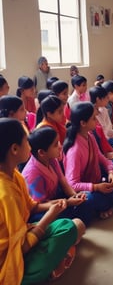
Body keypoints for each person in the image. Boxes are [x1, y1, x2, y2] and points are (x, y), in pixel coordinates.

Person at [0, 118, 85, 284]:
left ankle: (59, 255)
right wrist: (49, 216)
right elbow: (21, 247)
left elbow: (31, 206)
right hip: (10, 260)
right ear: (15, 149)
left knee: (74, 225)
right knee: (72, 228)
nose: (30, 146)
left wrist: (65, 203)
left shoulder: (15, 175)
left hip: (26, 234)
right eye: (26, 141)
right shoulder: (5, 193)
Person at [63, 102, 113, 220]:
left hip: (97, 179)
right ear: (83, 123)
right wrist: (96, 187)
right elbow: (72, 184)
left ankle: (107, 202)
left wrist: (111, 173)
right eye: (93, 118)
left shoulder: (90, 136)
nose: (96, 119)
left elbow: (102, 158)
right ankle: (109, 201)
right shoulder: (74, 150)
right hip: (87, 189)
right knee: (91, 199)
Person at [22, 126, 95, 225]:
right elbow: (36, 207)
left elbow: (64, 182)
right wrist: (67, 202)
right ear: (42, 152)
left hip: (57, 200)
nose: (60, 146)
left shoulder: (52, 159)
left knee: (87, 199)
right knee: (72, 217)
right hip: (43, 210)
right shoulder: (32, 174)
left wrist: (75, 195)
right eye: (56, 144)